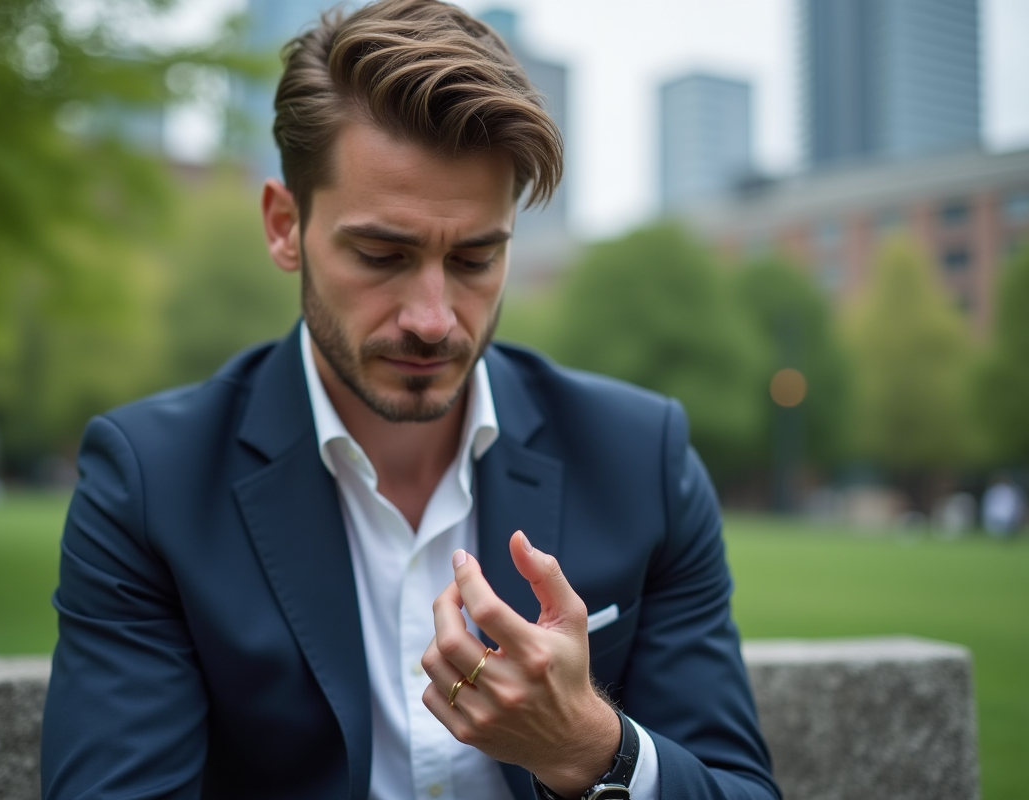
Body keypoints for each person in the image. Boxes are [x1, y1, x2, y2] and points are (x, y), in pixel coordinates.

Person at [40, 2, 779, 798]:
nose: (432, 318)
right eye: (382, 254)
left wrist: (593, 750)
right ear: (286, 227)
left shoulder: (641, 459)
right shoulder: (150, 483)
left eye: (473, 259)